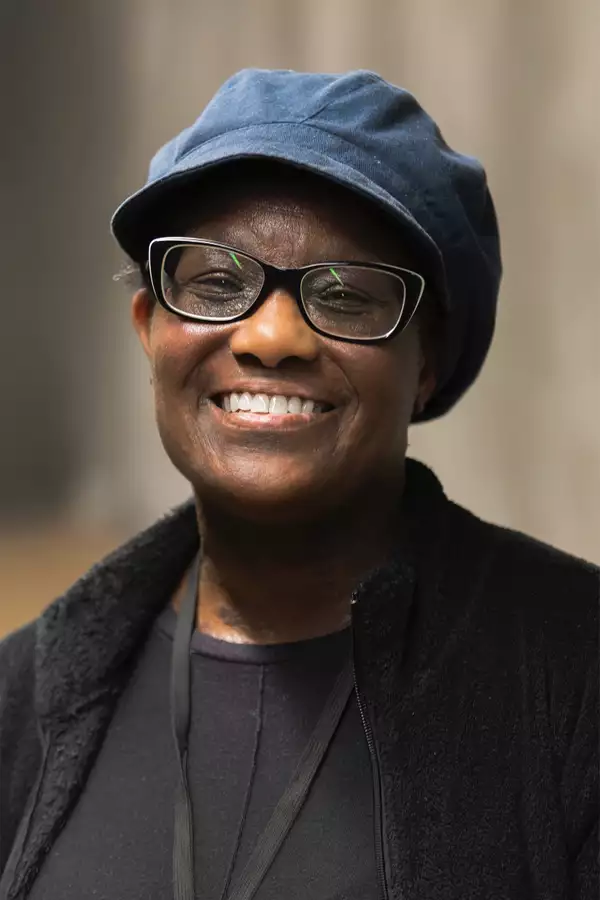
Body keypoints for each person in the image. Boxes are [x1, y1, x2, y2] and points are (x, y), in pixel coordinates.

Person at [0, 69, 597, 900]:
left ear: (426, 360)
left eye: (347, 295)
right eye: (214, 283)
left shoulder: (574, 679)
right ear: (150, 328)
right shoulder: (21, 697)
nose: (271, 335)